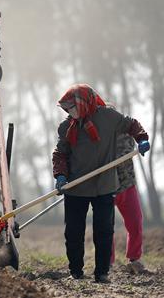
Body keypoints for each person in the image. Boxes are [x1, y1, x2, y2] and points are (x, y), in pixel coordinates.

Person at [51, 84, 150, 284]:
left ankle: (102, 272)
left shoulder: (109, 118)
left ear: (84, 103)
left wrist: (142, 139)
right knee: (74, 233)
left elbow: (131, 124)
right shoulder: (67, 127)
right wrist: (60, 176)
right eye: (67, 109)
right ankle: (76, 271)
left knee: (104, 231)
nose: (69, 112)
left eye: (72, 107)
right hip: (76, 187)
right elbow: (60, 154)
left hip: (104, 186)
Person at [112, 134, 146, 274]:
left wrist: (142, 139)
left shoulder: (126, 126)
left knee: (135, 222)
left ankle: (134, 259)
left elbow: (139, 130)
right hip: (106, 186)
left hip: (127, 184)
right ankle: (106, 262)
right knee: (105, 226)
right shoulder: (97, 129)